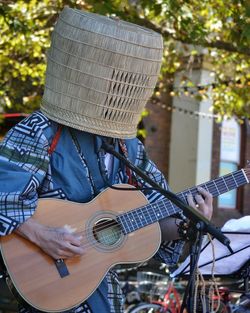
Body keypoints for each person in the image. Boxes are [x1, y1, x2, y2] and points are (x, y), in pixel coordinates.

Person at [0, 7, 213, 313]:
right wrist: (42, 235)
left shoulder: (129, 148)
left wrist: (186, 221)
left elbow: (152, 221)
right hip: (44, 296)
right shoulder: (41, 132)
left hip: (105, 297)